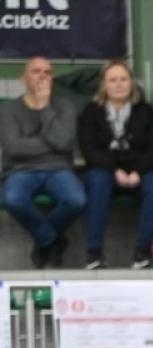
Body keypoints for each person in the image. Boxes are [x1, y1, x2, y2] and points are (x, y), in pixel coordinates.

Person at [78, 59, 153, 271]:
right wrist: (114, 170)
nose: (119, 85)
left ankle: (142, 252)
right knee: (98, 181)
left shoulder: (146, 111)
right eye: (113, 80)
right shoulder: (91, 111)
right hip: (105, 172)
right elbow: (89, 150)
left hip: (139, 173)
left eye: (123, 79)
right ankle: (94, 253)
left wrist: (137, 172)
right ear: (104, 85)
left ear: (131, 83)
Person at [0, 56, 86, 269]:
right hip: (20, 170)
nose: (42, 76)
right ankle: (51, 240)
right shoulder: (8, 109)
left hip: (58, 169)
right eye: (36, 71)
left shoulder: (64, 106)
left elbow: (64, 143)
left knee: (76, 199)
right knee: (12, 198)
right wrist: (51, 145)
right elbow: (13, 148)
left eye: (47, 72)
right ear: (24, 77)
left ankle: (43, 242)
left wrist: (44, 107)